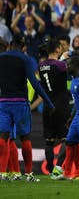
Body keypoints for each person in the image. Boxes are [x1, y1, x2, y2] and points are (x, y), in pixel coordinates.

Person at [0, 35, 54, 182]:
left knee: (3, 137)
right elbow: (34, 83)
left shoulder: (1, 57)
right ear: (23, 46)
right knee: (25, 138)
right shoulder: (26, 59)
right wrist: (48, 101)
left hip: (3, 103)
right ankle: (29, 174)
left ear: (11, 44)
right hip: (20, 103)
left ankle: (3, 173)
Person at [38, 38, 72, 179]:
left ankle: (50, 168)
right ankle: (58, 169)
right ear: (58, 49)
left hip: (47, 106)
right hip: (61, 106)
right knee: (66, 138)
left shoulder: (41, 66)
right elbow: (67, 70)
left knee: (49, 140)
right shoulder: (60, 65)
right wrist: (64, 59)